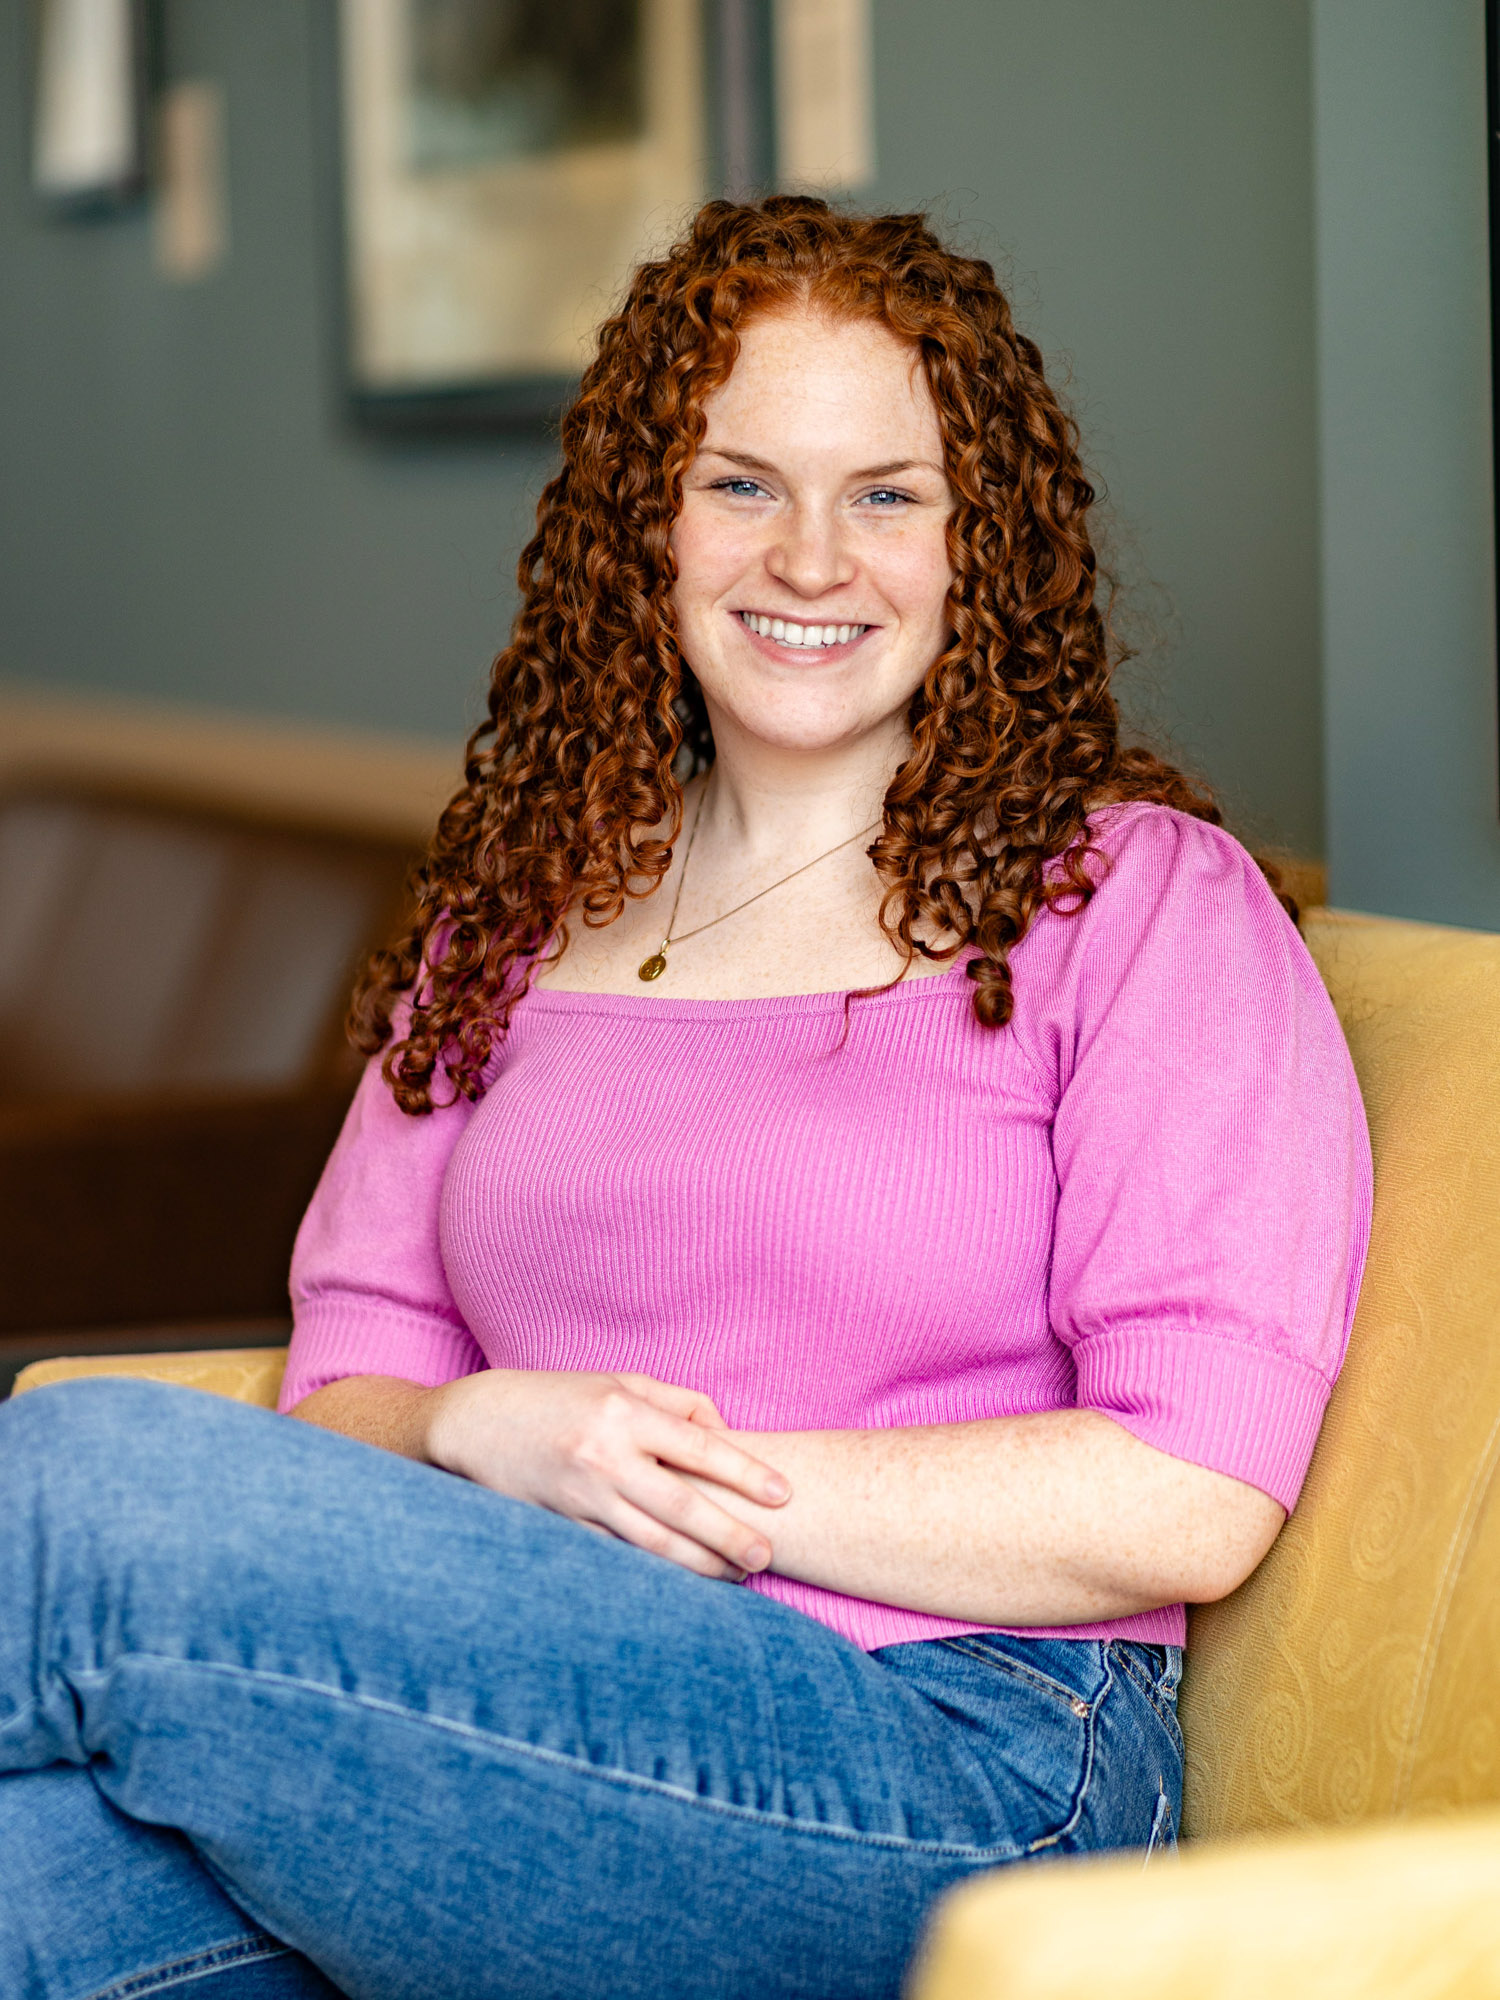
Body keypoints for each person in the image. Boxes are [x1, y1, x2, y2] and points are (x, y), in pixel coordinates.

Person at [0, 198, 1371, 2000]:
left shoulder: (1133, 904)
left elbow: (1190, 1488)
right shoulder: (519, 922)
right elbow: (346, 1394)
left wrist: (663, 1493)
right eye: (742, 485)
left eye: (889, 493)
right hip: (524, 1708)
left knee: (70, 1474)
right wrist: (480, 1437)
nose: (813, 556)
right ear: (641, 531)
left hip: (962, 1765)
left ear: (983, 548)